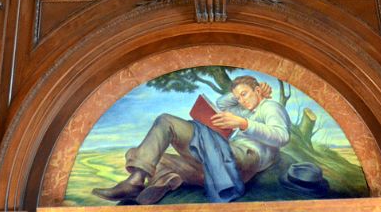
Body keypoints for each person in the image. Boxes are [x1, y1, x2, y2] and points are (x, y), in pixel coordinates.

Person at [92, 75, 291, 205]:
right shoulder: (243, 108)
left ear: (258, 91)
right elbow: (223, 102)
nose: (241, 100)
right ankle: (168, 179)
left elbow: (282, 136)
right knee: (148, 156)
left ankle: (136, 181)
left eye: (245, 94)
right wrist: (241, 94)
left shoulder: (270, 107)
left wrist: (244, 123)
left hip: (245, 157)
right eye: (238, 97)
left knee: (166, 121)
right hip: (218, 164)